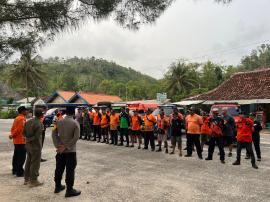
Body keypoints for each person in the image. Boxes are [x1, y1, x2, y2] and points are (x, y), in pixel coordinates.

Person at [52, 106, 81, 197]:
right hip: (70, 151)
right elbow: (76, 137)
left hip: (60, 151)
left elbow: (53, 134)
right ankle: (69, 190)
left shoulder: (58, 122)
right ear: (73, 113)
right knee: (70, 170)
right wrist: (67, 146)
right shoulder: (75, 123)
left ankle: (57, 186)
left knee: (59, 168)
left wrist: (58, 146)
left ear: (66, 112)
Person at [23, 108, 44, 187]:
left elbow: (23, 133)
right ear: (41, 115)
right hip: (36, 146)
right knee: (35, 163)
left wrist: (27, 140)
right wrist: (29, 139)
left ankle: (26, 179)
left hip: (28, 145)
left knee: (28, 161)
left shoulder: (28, 122)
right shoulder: (39, 123)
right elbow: (37, 136)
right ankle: (33, 180)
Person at [9, 106, 28, 177]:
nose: (27, 111)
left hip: (17, 140)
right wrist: (12, 135)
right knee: (21, 157)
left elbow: (13, 128)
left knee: (16, 156)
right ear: (22, 111)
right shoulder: (22, 119)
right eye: (26, 110)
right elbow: (19, 129)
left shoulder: (17, 118)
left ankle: (15, 170)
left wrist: (12, 135)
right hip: (21, 140)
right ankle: (19, 172)